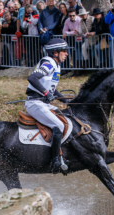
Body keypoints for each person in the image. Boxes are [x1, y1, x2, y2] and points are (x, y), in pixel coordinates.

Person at [25, 38, 70, 174]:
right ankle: (54, 161)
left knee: (66, 119)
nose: (66, 54)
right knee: (59, 126)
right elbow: (33, 78)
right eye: (64, 51)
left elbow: (51, 89)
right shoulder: (49, 63)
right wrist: (45, 93)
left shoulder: (56, 65)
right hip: (35, 103)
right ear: (55, 52)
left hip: (43, 103)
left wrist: (65, 101)